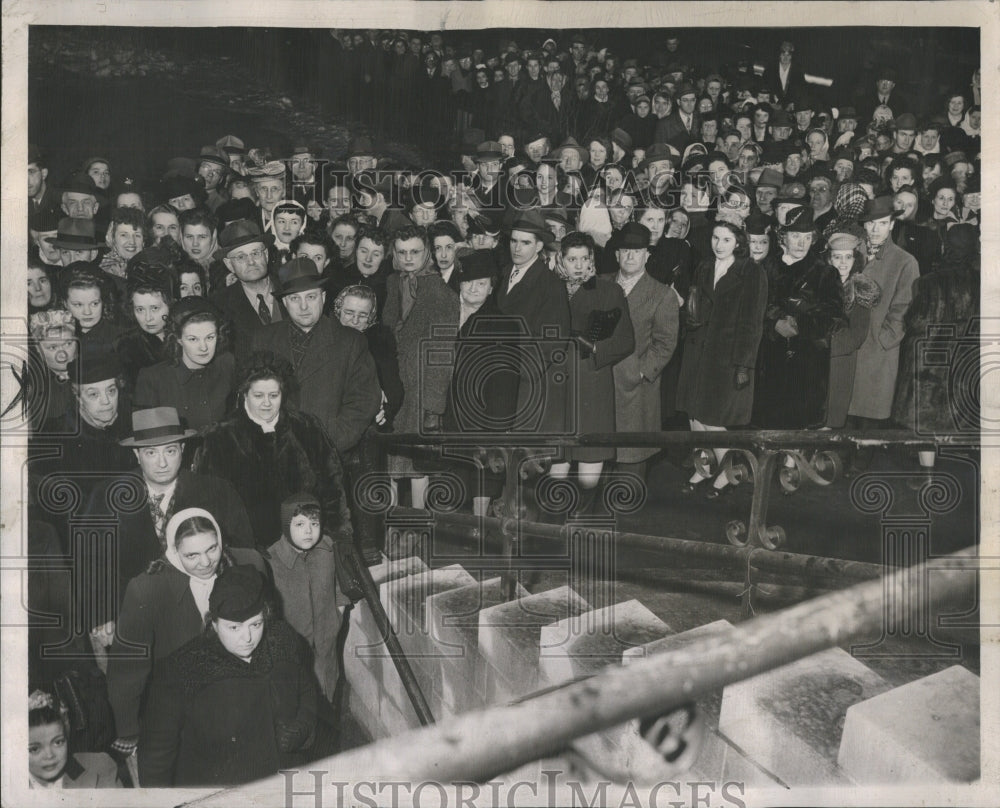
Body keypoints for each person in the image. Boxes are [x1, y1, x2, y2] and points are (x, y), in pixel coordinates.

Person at [138, 564, 322, 787]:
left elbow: (307, 689)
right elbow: (156, 758)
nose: (247, 638)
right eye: (234, 628)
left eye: (256, 624)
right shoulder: (181, 671)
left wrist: (302, 725)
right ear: (213, 624)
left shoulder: (283, 641)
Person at [112, 514, 266, 771]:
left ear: (220, 540)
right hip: (182, 710)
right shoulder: (147, 589)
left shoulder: (250, 564)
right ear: (173, 552)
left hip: (241, 698)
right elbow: (127, 667)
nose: (205, 562)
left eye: (212, 548)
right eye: (192, 555)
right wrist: (127, 728)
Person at [253, 257, 381, 456]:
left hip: (328, 458)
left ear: (323, 297)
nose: (304, 306)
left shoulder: (351, 342)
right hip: (273, 456)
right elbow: (249, 399)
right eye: (295, 298)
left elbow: (363, 403)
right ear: (285, 302)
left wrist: (325, 444)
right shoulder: (264, 339)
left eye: (311, 297)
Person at [677, 220, 768, 497]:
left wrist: (743, 364)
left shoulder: (751, 272)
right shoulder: (705, 266)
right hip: (698, 351)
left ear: (739, 243)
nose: (719, 245)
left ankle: (726, 474)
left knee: (714, 417)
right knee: (695, 416)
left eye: (726, 240)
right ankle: (704, 467)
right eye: (715, 238)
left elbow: (753, 323)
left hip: (727, 356)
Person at [545, 232, 635, 510]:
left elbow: (625, 341)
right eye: (572, 259)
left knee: (588, 473)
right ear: (561, 259)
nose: (579, 265)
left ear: (593, 260)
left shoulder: (609, 291)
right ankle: (552, 531)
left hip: (591, 385)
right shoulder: (549, 289)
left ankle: (583, 521)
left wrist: (595, 349)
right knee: (555, 470)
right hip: (557, 385)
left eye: (585, 258)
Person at [382, 225, 459, 507]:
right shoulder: (393, 282)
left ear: (426, 252)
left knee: (418, 467)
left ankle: (417, 526)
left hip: (422, 389)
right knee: (388, 461)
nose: (408, 258)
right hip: (394, 385)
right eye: (402, 253)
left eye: (415, 252)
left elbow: (443, 351)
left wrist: (434, 404)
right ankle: (387, 527)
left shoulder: (442, 292)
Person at [892, 223, 979, 474]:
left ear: (945, 247)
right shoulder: (984, 282)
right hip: (968, 364)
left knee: (927, 423)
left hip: (931, 365)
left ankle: (927, 474)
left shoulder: (929, 283)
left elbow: (917, 321)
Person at [753, 206, 844, 429]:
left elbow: (833, 313)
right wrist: (774, 324)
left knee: (800, 430)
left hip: (807, 365)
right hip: (769, 362)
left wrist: (800, 325)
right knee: (768, 428)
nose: (801, 243)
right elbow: (752, 309)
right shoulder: (765, 268)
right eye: (795, 236)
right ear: (783, 237)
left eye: (807, 237)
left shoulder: (825, 272)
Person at [846, 196, 919, 440]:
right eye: (870, 223)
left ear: (891, 225)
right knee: (844, 412)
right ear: (863, 225)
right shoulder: (849, 253)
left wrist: (884, 338)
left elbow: (904, 307)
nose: (875, 229)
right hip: (848, 345)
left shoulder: (905, 261)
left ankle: (862, 465)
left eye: (882, 223)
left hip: (879, 349)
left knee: (871, 416)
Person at [266, 493, 350, 703]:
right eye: (300, 524)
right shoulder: (271, 560)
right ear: (286, 526)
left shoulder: (328, 549)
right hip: (292, 651)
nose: (308, 531)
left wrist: (337, 618)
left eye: (314, 523)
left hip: (326, 644)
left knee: (328, 697)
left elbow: (340, 586)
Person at [609, 223, 677, 480]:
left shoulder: (661, 294)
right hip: (601, 382)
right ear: (616, 254)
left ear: (647, 256)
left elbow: (665, 343)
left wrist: (640, 372)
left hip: (635, 386)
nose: (629, 256)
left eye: (636, 251)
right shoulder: (602, 284)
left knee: (631, 452)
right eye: (624, 250)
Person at [134, 296, 235, 431]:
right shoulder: (153, 379)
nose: (203, 347)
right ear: (178, 339)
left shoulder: (227, 365)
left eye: (210, 337)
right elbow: (147, 439)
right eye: (193, 339)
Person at [824, 224, 881, 428]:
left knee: (831, 417)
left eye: (848, 257)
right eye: (837, 257)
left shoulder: (860, 288)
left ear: (855, 259)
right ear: (829, 259)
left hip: (840, 360)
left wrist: (827, 344)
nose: (842, 263)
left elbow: (857, 335)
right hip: (816, 359)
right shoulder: (820, 284)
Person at [211, 218, 286, 365]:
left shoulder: (291, 290)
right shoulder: (219, 305)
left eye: (255, 253)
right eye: (240, 257)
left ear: (266, 255)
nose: (250, 262)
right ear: (229, 264)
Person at [28, 690, 121, 789]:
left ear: (66, 735)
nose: (49, 755)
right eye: (34, 749)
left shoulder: (100, 766)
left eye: (58, 742)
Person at [115, 264, 173, 388]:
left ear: (170, 305)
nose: (148, 318)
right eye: (140, 309)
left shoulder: (187, 337)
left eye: (155, 308)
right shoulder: (127, 347)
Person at [28, 309, 77, 431]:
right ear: (38, 350)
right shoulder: (33, 388)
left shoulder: (91, 372)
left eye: (68, 344)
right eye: (53, 347)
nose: (63, 354)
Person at [99, 206, 145, 278]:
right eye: (124, 235)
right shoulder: (108, 271)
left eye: (137, 235)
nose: (132, 242)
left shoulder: (146, 267)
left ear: (143, 241)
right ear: (113, 239)